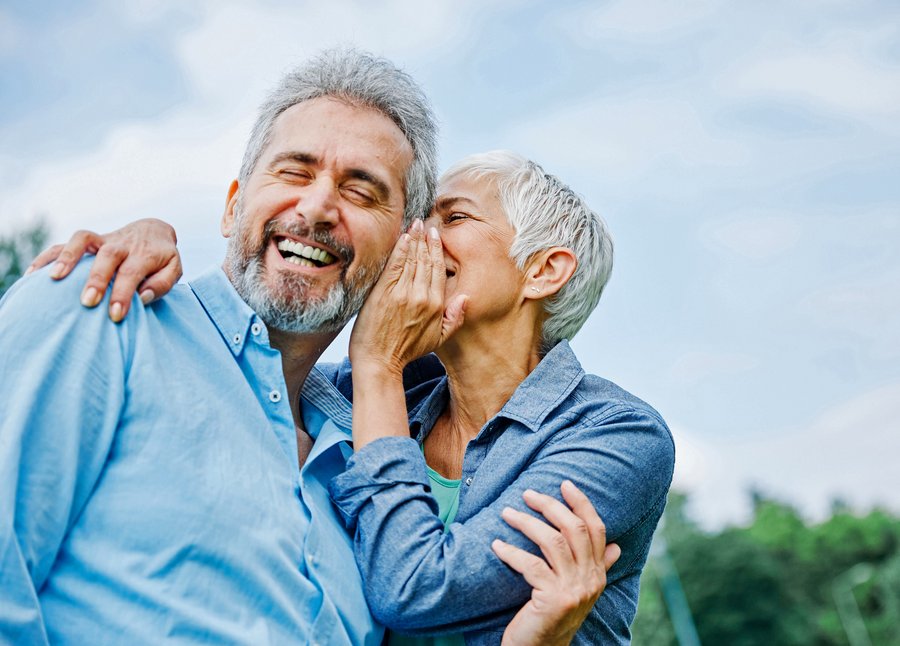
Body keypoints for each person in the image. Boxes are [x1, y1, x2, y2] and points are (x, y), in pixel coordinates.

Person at [0, 49, 615, 645]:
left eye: (361, 190)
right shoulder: (98, 308)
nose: (318, 207)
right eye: (293, 171)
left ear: (404, 246)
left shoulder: (369, 468)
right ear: (233, 205)